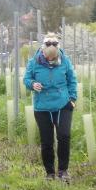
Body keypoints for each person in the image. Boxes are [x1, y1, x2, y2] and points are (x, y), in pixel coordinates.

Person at [23, 31, 78, 180]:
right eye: (48, 58)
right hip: (43, 107)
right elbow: (26, 79)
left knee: (64, 136)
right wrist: (33, 84)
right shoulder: (34, 62)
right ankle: (50, 173)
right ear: (43, 51)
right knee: (47, 141)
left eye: (53, 58)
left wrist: (72, 99)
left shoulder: (65, 61)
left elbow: (72, 80)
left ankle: (63, 171)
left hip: (62, 104)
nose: (51, 60)